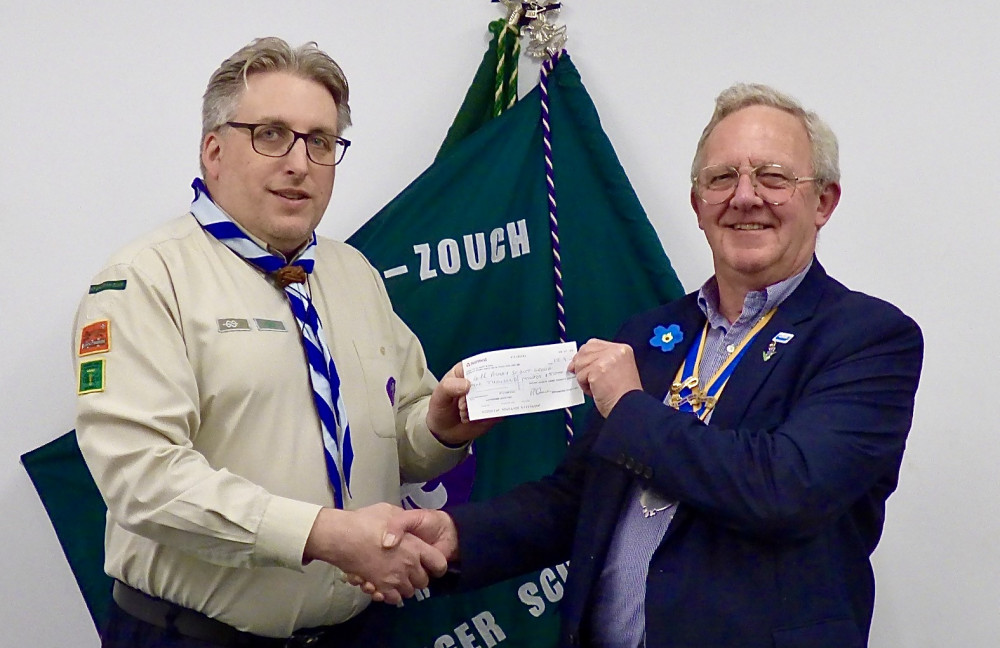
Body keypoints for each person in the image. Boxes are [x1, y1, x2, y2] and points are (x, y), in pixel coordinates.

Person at [369, 83, 924, 647]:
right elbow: (582, 498)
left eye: (774, 177)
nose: (745, 196)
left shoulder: (870, 338)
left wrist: (631, 408)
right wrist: (457, 535)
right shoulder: (651, 335)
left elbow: (785, 487)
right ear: (698, 205)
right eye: (721, 178)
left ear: (823, 201)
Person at [74, 37, 494, 647]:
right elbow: (143, 478)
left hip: (359, 631)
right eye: (271, 134)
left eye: (320, 142)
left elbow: (398, 442)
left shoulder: (355, 276)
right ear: (213, 151)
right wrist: (321, 534)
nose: (299, 162)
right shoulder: (143, 280)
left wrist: (439, 427)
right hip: (196, 637)